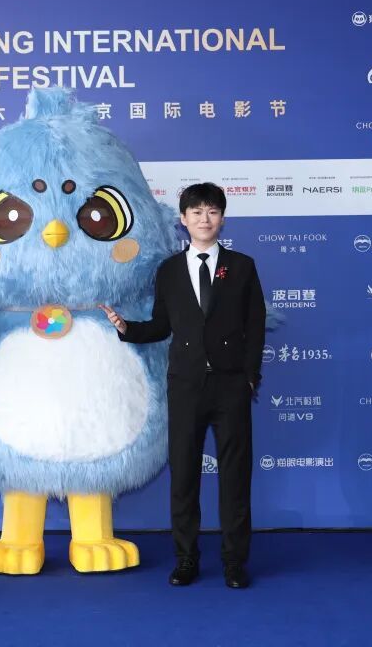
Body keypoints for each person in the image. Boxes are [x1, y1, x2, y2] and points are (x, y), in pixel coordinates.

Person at [100, 182, 265, 589]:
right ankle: (186, 558)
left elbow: (255, 326)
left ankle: (234, 561)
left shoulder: (242, 266)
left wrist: (249, 377)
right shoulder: (170, 270)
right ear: (183, 219)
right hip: (186, 386)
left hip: (230, 385)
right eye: (196, 212)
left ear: (222, 218)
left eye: (212, 211)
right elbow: (161, 325)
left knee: (235, 476)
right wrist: (127, 328)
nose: (204, 219)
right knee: (184, 475)